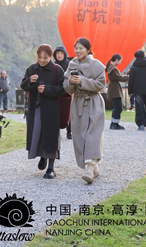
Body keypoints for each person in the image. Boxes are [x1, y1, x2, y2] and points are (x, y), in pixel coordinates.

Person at [63, 37, 106, 184]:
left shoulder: (96, 65)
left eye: (81, 48)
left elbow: (101, 84)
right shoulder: (72, 64)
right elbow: (66, 87)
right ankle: (93, 167)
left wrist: (82, 81)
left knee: (92, 134)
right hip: (78, 103)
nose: (78, 51)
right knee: (80, 135)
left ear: (88, 49)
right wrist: (70, 82)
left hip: (94, 102)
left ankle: (90, 168)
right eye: (76, 48)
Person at [20, 44, 65, 179]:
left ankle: (50, 168)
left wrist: (46, 89)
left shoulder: (57, 70)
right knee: (37, 133)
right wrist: (30, 81)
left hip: (51, 108)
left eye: (45, 58)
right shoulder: (31, 69)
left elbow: (62, 89)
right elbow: (23, 85)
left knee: (51, 135)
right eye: (40, 57)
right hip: (35, 107)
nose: (42, 60)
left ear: (50, 56)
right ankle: (42, 157)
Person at [128, 50, 146, 131]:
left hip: (138, 90)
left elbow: (131, 81)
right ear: (144, 55)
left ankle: (141, 124)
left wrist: (130, 91)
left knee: (139, 107)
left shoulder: (134, 68)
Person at [106, 54, 129, 130]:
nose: (120, 62)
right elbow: (119, 78)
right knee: (118, 107)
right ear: (116, 60)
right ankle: (115, 123)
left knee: (116, 106)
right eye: (120, 61)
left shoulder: (110, 68)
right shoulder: (113, 69)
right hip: (115, 89)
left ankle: (113, 123)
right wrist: (128, 77)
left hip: (113, 88)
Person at [54, 46, 72, 139]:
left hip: (67, 91)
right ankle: (57, 133)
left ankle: (69, 132)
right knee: (56, 113)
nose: (59, 55)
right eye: (57, 54)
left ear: (64, 54)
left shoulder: (69, 65)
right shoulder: (54, 65)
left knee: (68, 113)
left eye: (61, 53)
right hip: (56, 92)